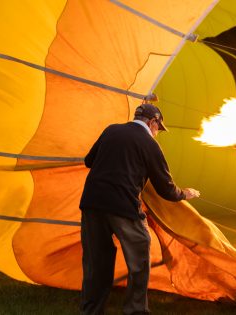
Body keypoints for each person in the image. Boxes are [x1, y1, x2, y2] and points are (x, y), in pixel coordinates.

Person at [79, 103, 200, 315]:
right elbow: (166, 188)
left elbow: (89, 161)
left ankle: (91, 311)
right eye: (157, 128)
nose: (157, 133)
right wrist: (184, 193)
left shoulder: (111, 130)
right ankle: (135, 310)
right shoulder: (149, 144)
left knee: (95, 262)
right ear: (152, 122)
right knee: (139, 255)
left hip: (92, 203)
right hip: (123, 206)